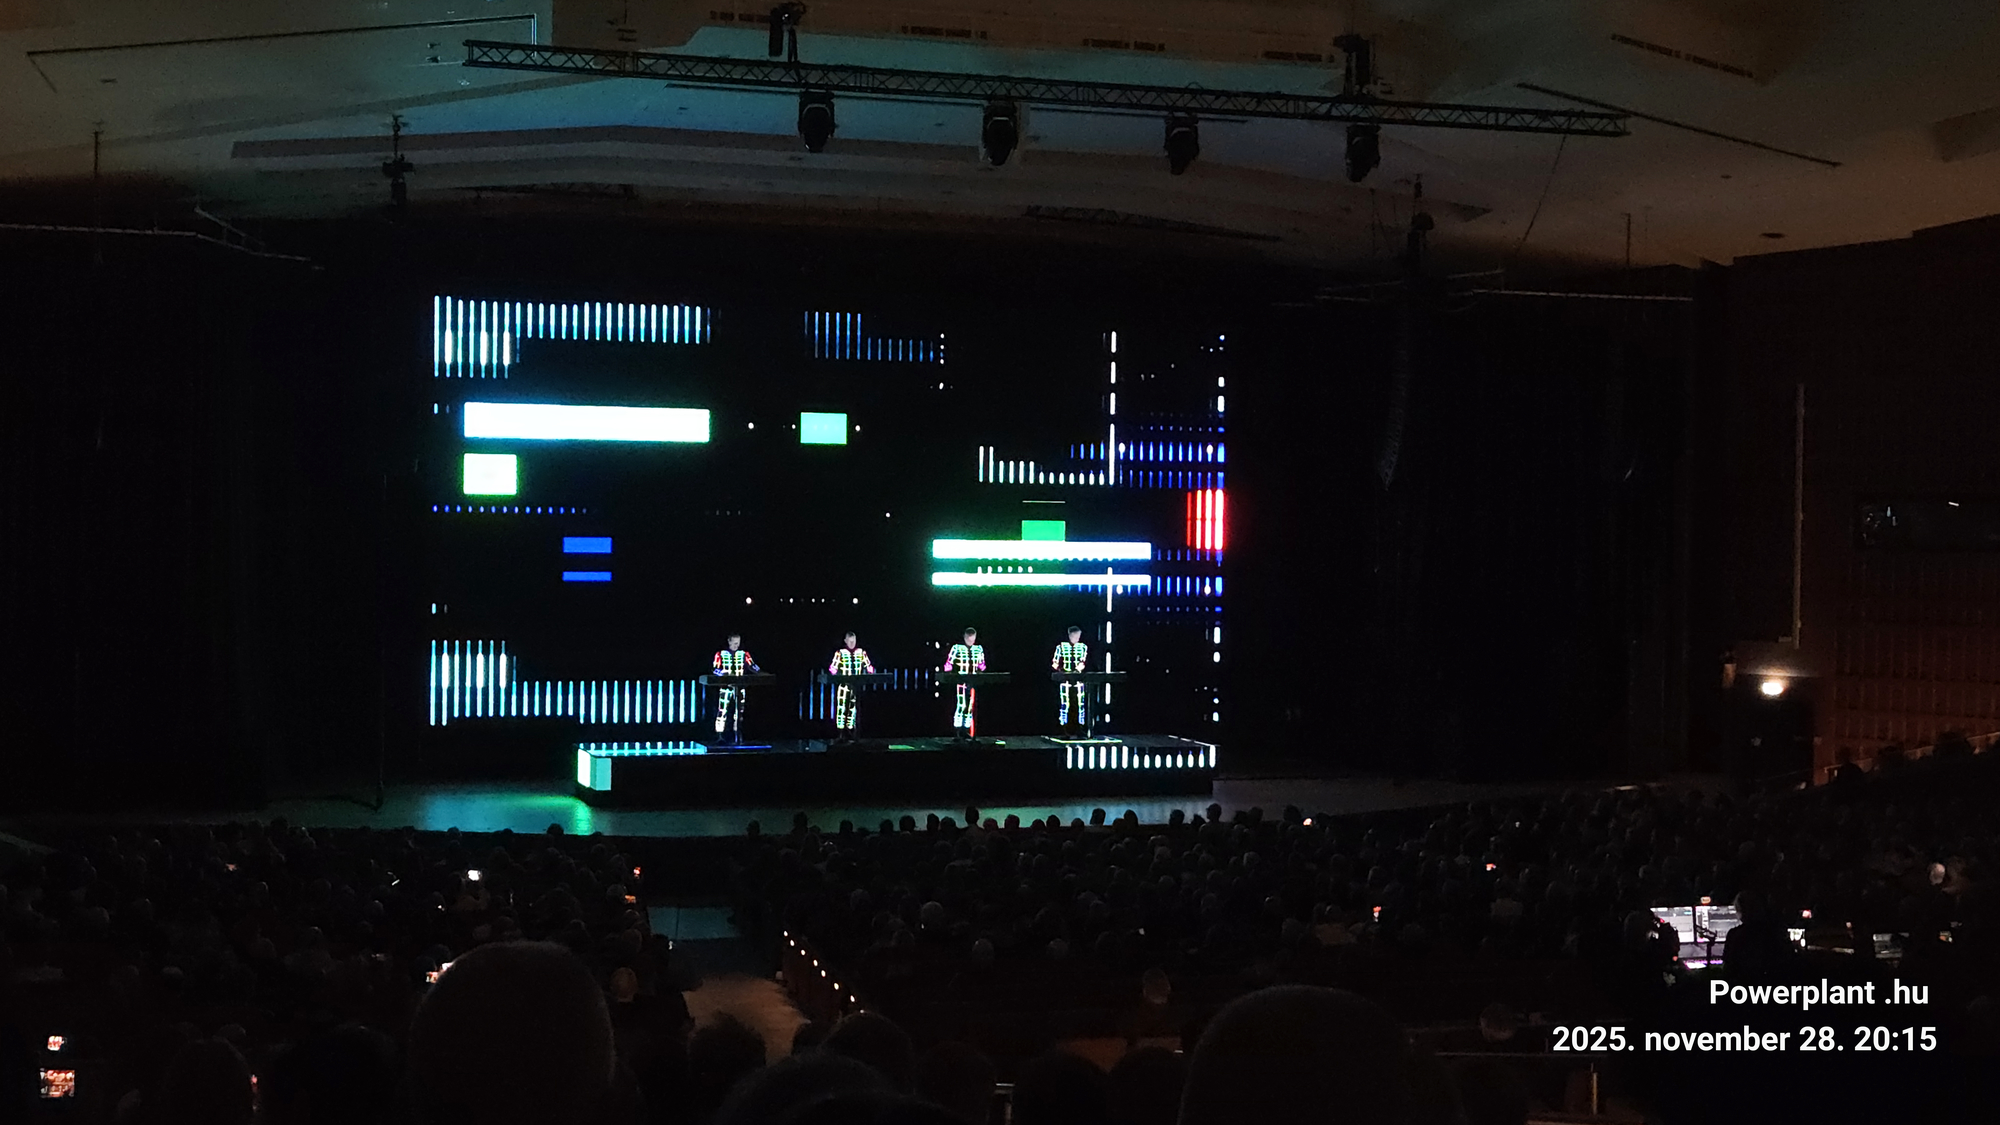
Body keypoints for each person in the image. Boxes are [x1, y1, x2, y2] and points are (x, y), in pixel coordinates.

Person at [711, 634, 760, 744]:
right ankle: (719, 735)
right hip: (726, 686)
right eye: (734, 642)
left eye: (738, 643)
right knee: (722, 710)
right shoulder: (720, 654)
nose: (736, 645)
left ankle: (737, 733)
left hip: (740, 686)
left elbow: (752, 666)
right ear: (729, 641)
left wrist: (761, 673)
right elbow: (715, 669)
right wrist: (722, 673)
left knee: (739, 711)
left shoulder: (744, 654)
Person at [829, 632, 876, 740]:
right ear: (845, 641)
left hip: (855, 686)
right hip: (844, 685)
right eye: (850, 641)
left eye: (853, 641)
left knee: (852, 708)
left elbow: (869, 666)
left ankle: (851, 731)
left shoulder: (861, 653)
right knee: (842, 707)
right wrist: (834, 671)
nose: (852, 643)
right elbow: (833, 667)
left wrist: (870, 670)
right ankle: (841, 732)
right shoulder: (840, 653)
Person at [944, 627, 986, 740]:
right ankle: (957, 731)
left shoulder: (978, 649)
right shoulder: (957, 648)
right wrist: (948, 675)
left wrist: (981, 671)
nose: (970, 640)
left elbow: (982, 665)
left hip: (972, 681)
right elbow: (949, 663)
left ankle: (965, 730)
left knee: (970, 706)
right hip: (961, 680)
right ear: (964, 637)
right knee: (961, 704)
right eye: (968, 638)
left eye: (972, 638)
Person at [1052, 625, 1090, 734]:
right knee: (1065, 704)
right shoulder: (1060, 647)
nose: (1077, 638)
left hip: (1078, 680)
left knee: (1080, 704)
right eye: (1075, 635)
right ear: (1070, 635)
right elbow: (1055, 662)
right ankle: (1063, 727)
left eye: (1078, 636)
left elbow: (1083, 661)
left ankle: (1081, 727)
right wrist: (1061, 671)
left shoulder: (1083, 647)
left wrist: (1077, 671)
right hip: (1065, 680)